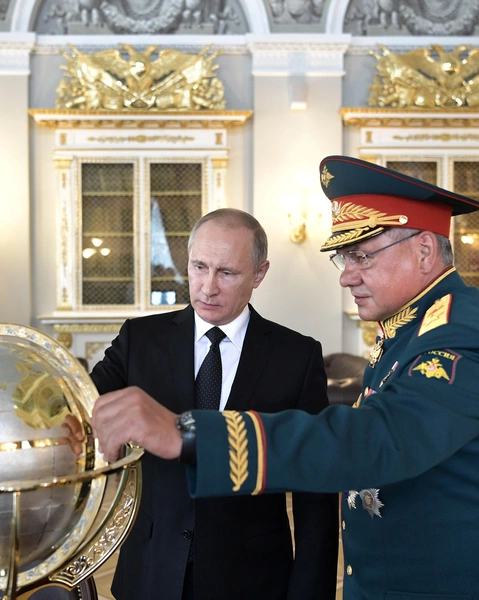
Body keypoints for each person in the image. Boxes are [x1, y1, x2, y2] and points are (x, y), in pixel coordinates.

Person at [92, 157, 479, 599]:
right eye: (343, 259)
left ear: (425, 250)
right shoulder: (408, 333)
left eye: (361, 257)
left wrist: (190, 435)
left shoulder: (464, 339)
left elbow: (374, 438)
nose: (346, 277)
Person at [89, 208, 339, 600]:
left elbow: (316, 489)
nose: (207, 287)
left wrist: (310, 591)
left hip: (251, 578)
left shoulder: (297, 356)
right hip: (150, 572)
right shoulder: (140, 338)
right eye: (199, 267)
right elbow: (81, 400)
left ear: (259, 273)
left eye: (227, 273)